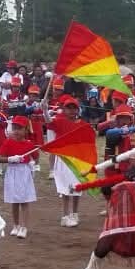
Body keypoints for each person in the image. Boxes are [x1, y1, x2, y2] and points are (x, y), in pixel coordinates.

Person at [47, 95, 85, 227]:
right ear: (64, 109)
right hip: (63, 160)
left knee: (76, 187)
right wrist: (44, 109)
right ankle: (65, 215)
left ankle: (74, 213)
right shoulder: (60, 122)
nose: (72, 111)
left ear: (78, 110)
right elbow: (48, 123)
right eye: (69, 108)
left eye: (74, 108)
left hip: (77, 159)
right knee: (65, 188)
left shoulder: (81, 124)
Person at [0, 115, 38, 238]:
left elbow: (35, 158)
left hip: (24, 173)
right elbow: (1, 158)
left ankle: (24, 227)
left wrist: (32, 164)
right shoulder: (8, 142)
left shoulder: (29, 144)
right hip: (12, 172)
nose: (16, 131)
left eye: (19, 128)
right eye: (14, 128)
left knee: (24, 201)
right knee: (14, 201)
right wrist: (11, 159)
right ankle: (16, 225)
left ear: (26, 130)